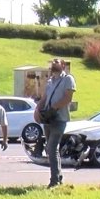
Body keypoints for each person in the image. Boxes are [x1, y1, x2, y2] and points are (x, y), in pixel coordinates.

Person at [34, 58, 76, 188]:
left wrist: (54, 109)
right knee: (51, 149)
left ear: (63, 65)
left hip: (59, 118)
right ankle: (58, 177)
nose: (53, 66)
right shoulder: (50, 81)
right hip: (48, 119)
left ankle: (54, 180)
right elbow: (45, 98)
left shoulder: (68, 79)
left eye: (56, 64)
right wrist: (37, 109)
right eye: (52, 64)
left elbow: (68, 98)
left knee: (52, 148)